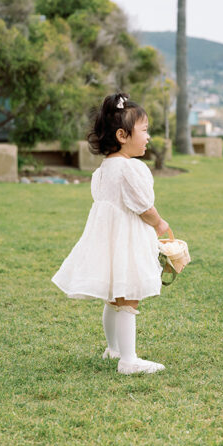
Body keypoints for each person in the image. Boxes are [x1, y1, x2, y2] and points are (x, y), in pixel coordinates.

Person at [52, 92, 170, 375]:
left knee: (113, 298)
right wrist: (159, 224)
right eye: (144, 130)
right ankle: (128, 359)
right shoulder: (130, 168)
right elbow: (143, 206)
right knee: (129, 297)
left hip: (108, 240)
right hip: (126, 241)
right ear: (122, 135)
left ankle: (113, 348)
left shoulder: (105, 167)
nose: (148, 136)